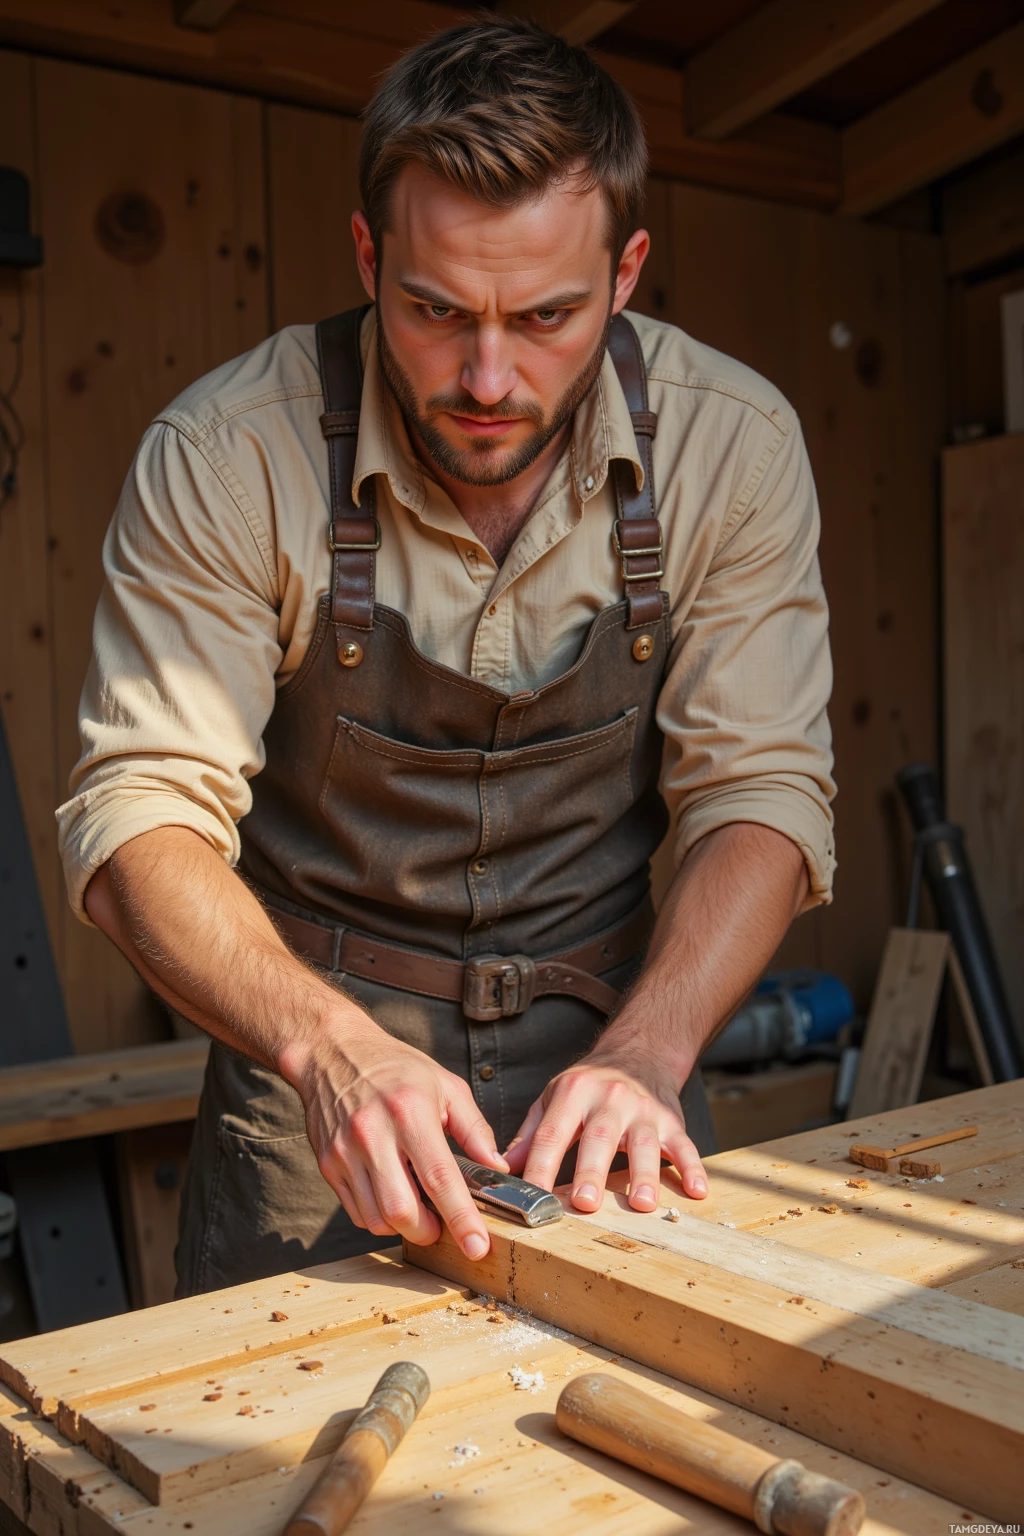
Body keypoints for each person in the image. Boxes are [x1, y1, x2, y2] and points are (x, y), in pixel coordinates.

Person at [57, 18, 835, 1295]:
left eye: (544, 317)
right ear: (368, 256)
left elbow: (759, 796)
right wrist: (327, 1050)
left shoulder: (730, 448)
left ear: (625, 271)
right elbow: (138, 818)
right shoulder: (224, 457)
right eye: (432, 311)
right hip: (318, 1097)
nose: (487, 376)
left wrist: (650, 1051)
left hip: (614, 1087)